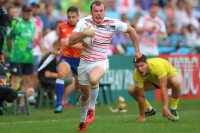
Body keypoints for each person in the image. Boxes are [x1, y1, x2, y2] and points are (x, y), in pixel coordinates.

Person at [68, 1, 142, 131]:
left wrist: (137, 50)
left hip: (100, 61)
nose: (98, 14)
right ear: (91, 12)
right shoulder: (83, 22)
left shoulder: (111, 23)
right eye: (96, 11)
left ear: (104, 12)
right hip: (84, 63)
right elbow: (71, 41)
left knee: (93, 79)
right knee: (84, 95)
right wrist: (84, 33)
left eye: (101, 11)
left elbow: (131, 30)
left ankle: (92, 108)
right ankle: (82, 120)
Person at [128, 55, 181, 122]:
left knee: (176, 83)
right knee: (132, 90)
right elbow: (140, 95)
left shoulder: (157, 66)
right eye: (137, 66)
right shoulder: (136, 73)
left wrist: (165, 108)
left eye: (142, 66)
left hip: (168, 76)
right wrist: (142, 116)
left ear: (146, 64)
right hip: (154, 80)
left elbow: (164, 89)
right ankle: (148, 110)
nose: (140, 69)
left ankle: (173, 108)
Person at [52, 6, 82, 113]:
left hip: (80, 60)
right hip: (66, 58)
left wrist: (69, 43)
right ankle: (59, 104)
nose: (70, 19)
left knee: (79, 88)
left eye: (73, 17)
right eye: (69, 17)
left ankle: (89, 110)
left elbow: (85, 47)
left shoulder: (83, 28)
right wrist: (56, 48)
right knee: (61, 74)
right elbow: (60, 39)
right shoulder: (62, 26)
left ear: (78, 17)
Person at [6, 4, 36, 106]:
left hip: (29, 57)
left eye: (30, 11)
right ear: (22, 12)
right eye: (26, 11)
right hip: (17, 57)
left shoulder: (33, 24)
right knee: (14, 79)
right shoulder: (15, 23)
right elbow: (8, 38)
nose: (28, 13)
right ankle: (10, 104)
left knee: (26, 80)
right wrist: (11, 51)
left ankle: (21, 104)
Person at [29, 2, 45, 103]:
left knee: (35, 73)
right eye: (33, 7)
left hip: (35, 50)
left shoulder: (40, 21)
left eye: (37, 7)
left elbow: (40, 37)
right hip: (26, 50)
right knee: (28, 73)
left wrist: (43, 49)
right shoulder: (27, 20)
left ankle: (31, 94)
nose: (35, 9)